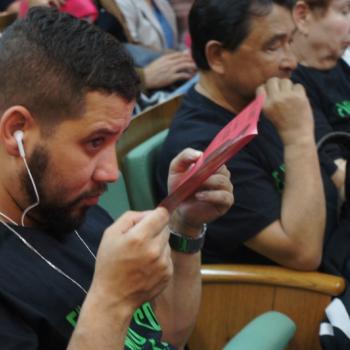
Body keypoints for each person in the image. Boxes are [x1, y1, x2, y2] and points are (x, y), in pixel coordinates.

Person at [0, 7, 234, 349]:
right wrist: (112, 301)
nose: (112, 172)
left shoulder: (67, 200)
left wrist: (185, 226)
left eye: (116, 140)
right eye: (95, 141)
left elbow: (164, 335)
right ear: (17, 131)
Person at [157, 0, 340, 270]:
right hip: (297, 294)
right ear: (218, 56)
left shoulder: (265, 98)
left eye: (291, 41)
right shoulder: (202, 147)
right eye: (273, 46)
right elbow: (303, 254)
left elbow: (335, 178)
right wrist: (298, 136)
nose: (291, 61)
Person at [291, 0, 350, 189]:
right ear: (303, 16)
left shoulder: (340, 67)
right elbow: (337, 171)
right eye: (344, 11)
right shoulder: (291, 84)